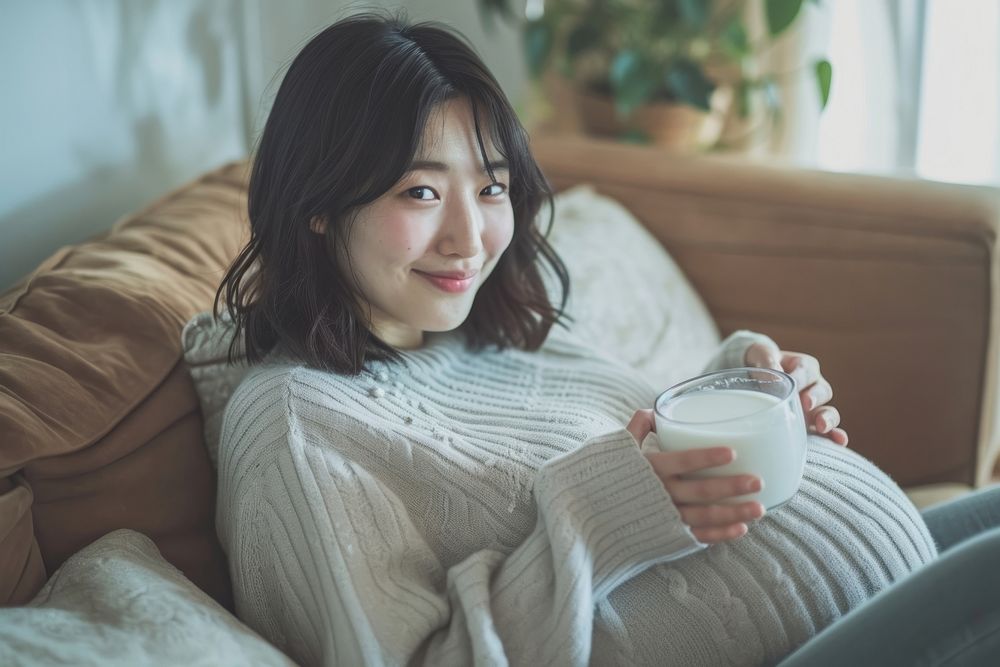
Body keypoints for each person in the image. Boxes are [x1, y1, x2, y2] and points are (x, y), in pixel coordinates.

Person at [211, 12, 998, 666]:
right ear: (317, 202)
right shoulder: (295, 424)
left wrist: (747, 381)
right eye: (419, 190)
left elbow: (635, 442)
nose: (470, 237)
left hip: (868, 585)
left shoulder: (494, 329)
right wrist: (596, 511)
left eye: (491, 187)